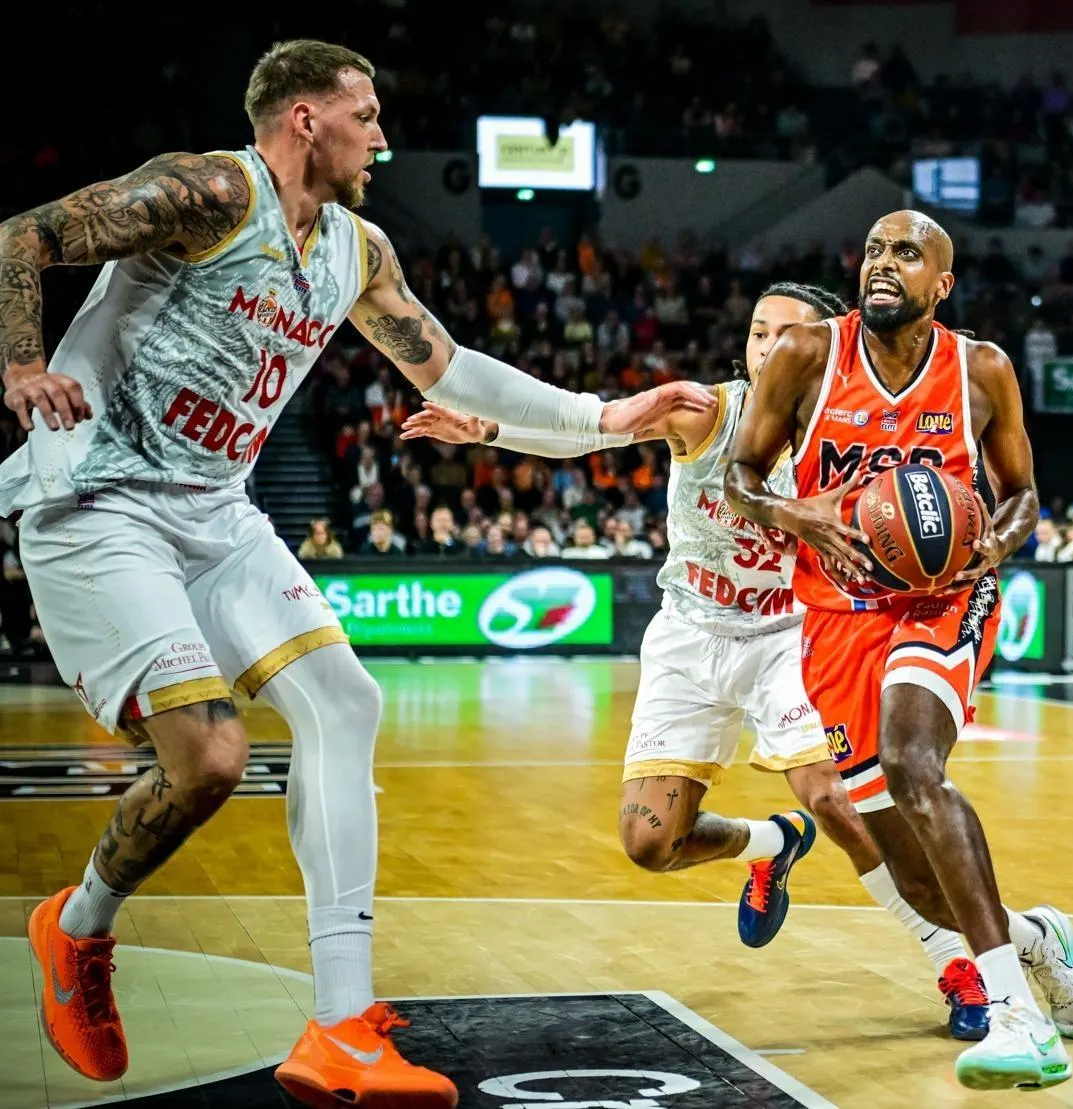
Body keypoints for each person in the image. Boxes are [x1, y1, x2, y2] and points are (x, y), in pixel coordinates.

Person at [0, 39, 710, 1109]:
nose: (381, 136)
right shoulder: (211, 192)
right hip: (100, 498)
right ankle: (78, 926)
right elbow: (18, 238)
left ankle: (339, 1023)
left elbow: (449, 369)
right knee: (211, 757)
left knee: (345, 700)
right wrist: (21, 365)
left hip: (214, 510)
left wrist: (606, 417)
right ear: (305, 119)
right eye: (365, 115)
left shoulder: (357, 251)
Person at [400, 282, 993, 1041]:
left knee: (836, 797)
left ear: (822, 351)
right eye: (758, 332)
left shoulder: (853, 438)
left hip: (789, 634)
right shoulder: (706, 412)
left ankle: (954, 960)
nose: (768, 347)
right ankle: (772, 843)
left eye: (787, 334)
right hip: (689, 632)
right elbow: (595, 428)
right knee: (651, 844)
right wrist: (489, 432)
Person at [722, 211, 1073, 1091]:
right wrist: (796, 512)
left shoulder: (982, 369)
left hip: (944, 597)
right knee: (917, 880)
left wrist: (988, 547)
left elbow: (1023, 495)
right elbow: (741, 478)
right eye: (873, 250)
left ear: (942, 283)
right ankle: (1036, 939)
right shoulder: (806, 355)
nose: (883, 263)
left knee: (913, 761)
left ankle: (1018, 1018)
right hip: (838, 615)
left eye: (906, 252)